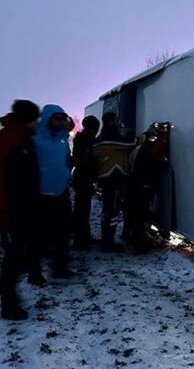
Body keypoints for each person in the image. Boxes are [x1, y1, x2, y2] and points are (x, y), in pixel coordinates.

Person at [0, 100, 41, 320]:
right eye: (34, 118)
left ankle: (6, 283)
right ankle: (8, 303)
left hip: (27, 206)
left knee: (23, 251)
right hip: (12, 210)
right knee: (14, 254)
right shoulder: (5, 141)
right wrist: (1, 212)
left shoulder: (25, 139)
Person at [33, 105, 75, 277]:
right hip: (41, 194)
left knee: (63, 231)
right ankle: (35, 268)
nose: (60, 121)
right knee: (39, 232)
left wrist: (67, 171)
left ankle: (60, 266)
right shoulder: (36, 139)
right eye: (57, 118)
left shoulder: (63, 138)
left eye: (62, 118)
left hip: (61, 191)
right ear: (48, 119)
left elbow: (65, 159)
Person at [124, 123, 170, 253]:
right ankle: (140, 245)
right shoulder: (154, 144)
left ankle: (130, 237)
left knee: (133, 212)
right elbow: (159, 157)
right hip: (144, 183)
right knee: (140, 213)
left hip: (134, 182)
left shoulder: (139, 146)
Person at [93, 112, 130, 253]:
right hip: (112, 180)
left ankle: (107, 241)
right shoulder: (109, 138)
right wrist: (146, 134)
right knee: (111, 211)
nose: (118, 123)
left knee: (109, 210)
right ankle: (107, 243)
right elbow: (130, 143)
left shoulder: (104, 136)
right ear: (110, 122)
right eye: (116, 120)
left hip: (109, 179)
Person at [71, 115, 101, 250]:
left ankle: (83, 236)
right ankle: (81, 239)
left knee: (82, 209)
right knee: (82, 210)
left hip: (81, 178)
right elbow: (87, 161)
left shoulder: (80, 139)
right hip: (84, 178)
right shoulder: (88, 141)